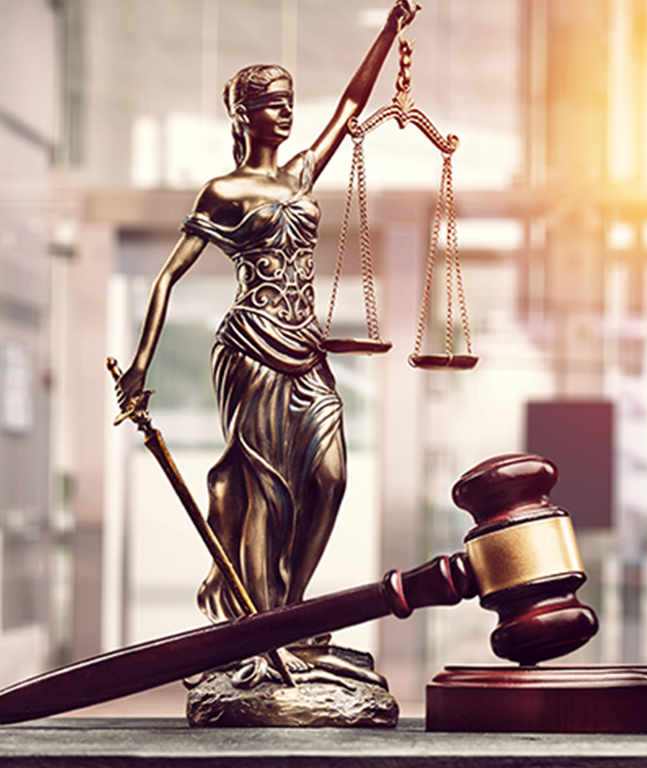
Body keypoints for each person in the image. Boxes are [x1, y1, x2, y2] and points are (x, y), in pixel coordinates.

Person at [116, 0, 418, 677]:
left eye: (288, 103)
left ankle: (296, 611)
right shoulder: (222, 191)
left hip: (305, 347)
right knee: (265, 494)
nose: (287, 112)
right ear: (244, 115)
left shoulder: (302, 174)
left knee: (331, 476)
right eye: (274, 104)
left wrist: (389, 30)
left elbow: (348, 105)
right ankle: (265, 631)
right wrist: (139, 366)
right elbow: (166, 279)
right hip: (251, 346)